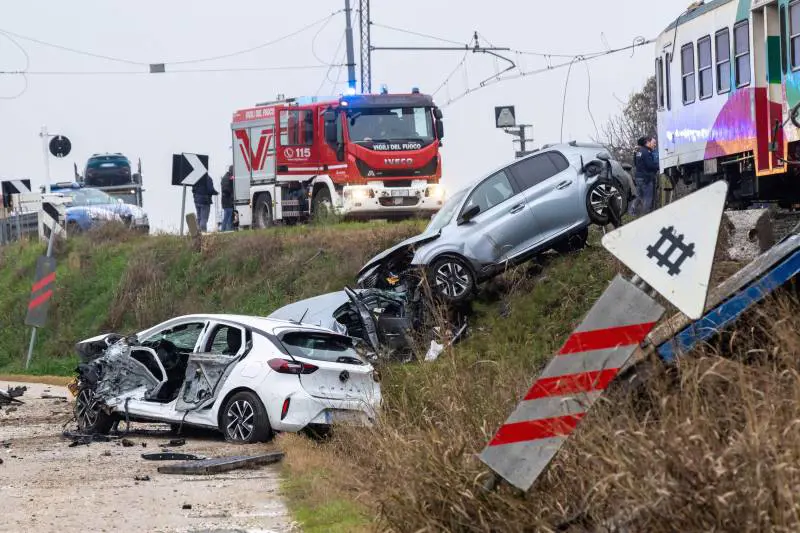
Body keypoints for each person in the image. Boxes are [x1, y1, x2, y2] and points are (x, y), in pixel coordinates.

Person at [631, 136, 659, 216]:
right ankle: (646, 215)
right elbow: (650, 165)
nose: (654, 145)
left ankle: (633, 209)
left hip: (638, 177)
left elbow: (636, 164)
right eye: (653, 143)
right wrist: (658, 166)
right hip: (646, 178)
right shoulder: (646, 152)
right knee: (648, 198)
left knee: (639, 195)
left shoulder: (638, 151)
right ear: (648, 142)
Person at [220, 167, 234, 232]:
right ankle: (228, 230)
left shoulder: (225, 177)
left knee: (226, 216)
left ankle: (223, 229)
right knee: (228, 216)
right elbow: (227, 189)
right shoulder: (229, 178)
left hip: (225, 200)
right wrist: (231, 194)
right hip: (228, 200)